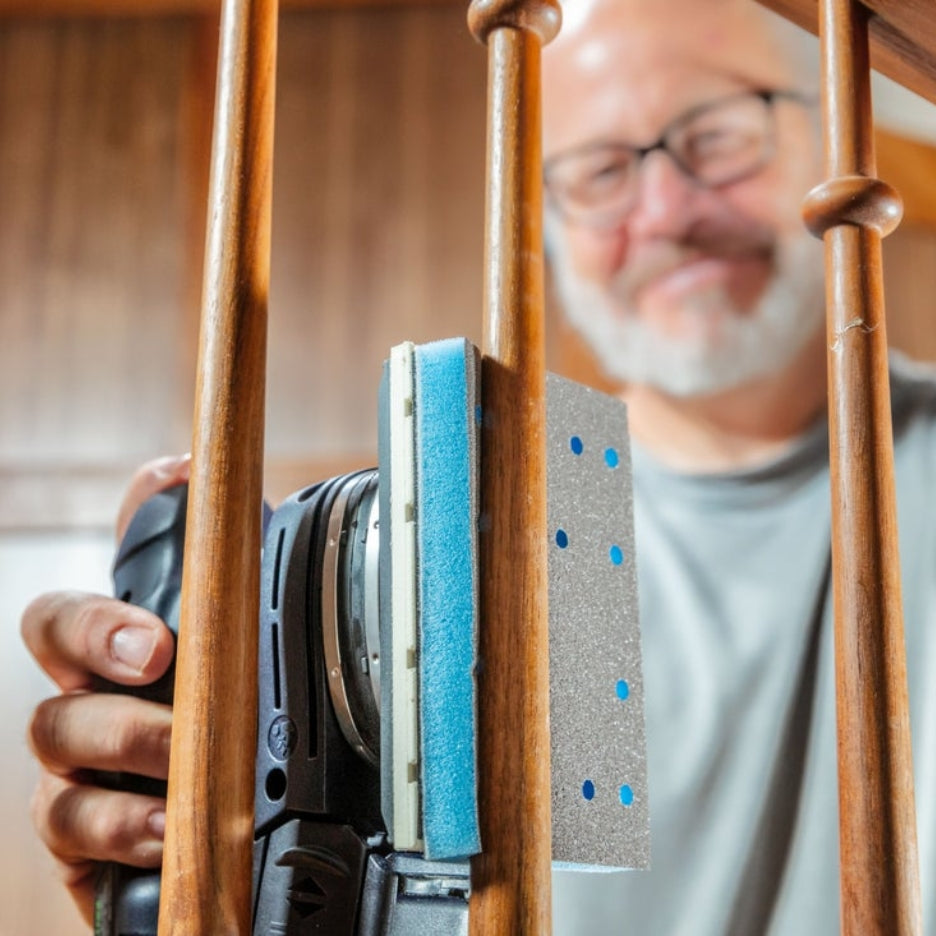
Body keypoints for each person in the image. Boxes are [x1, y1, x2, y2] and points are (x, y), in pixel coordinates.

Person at [20, 0, 936, 932]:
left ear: (831, 139)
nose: (667, 210)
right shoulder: (467, 545)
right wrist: (176, 882)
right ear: (547, 226)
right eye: (602, 169)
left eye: (719, 133)